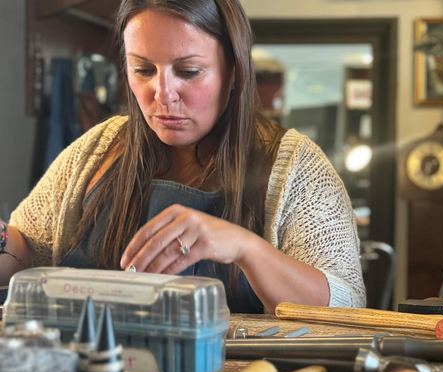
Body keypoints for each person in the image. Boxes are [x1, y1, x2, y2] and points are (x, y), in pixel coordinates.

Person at [0, 0, 365, 314]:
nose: (163, 94)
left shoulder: (295, 166)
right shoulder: (99, 148)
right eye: (142, 70)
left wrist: (245, 247)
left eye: (188, 72)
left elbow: (347, 305)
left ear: (234, 71)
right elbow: (29, 252)